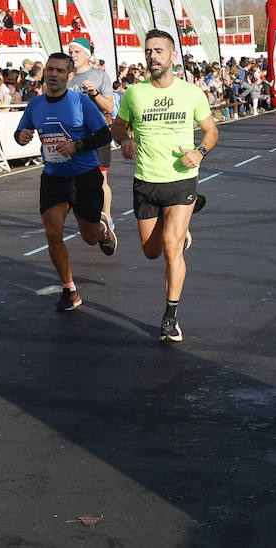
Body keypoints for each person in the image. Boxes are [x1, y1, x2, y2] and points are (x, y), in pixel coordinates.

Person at [111, 30, 218, 344]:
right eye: (148, 51)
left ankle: (170, 318)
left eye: (159, 50)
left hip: (181, 180)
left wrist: (200, 152)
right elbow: (118, 127)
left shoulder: (191, 93)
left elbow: (211, 131)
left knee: (171, 248)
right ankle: (180, 230)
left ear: (173, 56)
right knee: (151, 251)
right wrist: (125, 139)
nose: (152, 56)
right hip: (146, 180)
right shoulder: (134, 94)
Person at [14, 52, 117, 312]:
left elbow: (104, 134)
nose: (53, 74)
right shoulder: (35, 105)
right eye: (50, 69)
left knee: (90, 237)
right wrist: (22, 135)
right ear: (44, 72)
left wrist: (78, 144)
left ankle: (102, 228)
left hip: (84, 177)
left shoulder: (80, 102)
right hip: (53, 179)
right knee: (52, 231)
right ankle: (69, 289)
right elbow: (20, 132)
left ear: (68, 75)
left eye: (60, 70)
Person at [66, 37, 117, 242]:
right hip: (71, 138)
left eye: (77, 52)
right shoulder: (66, 78)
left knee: (100, 180)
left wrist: (94, 94)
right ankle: (88, 220)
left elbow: (110, 107)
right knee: (75, 184)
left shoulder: (100, 75)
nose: (73, 56)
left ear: (87, 55)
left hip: (96, 136)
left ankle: (107, 218)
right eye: (70, 52)